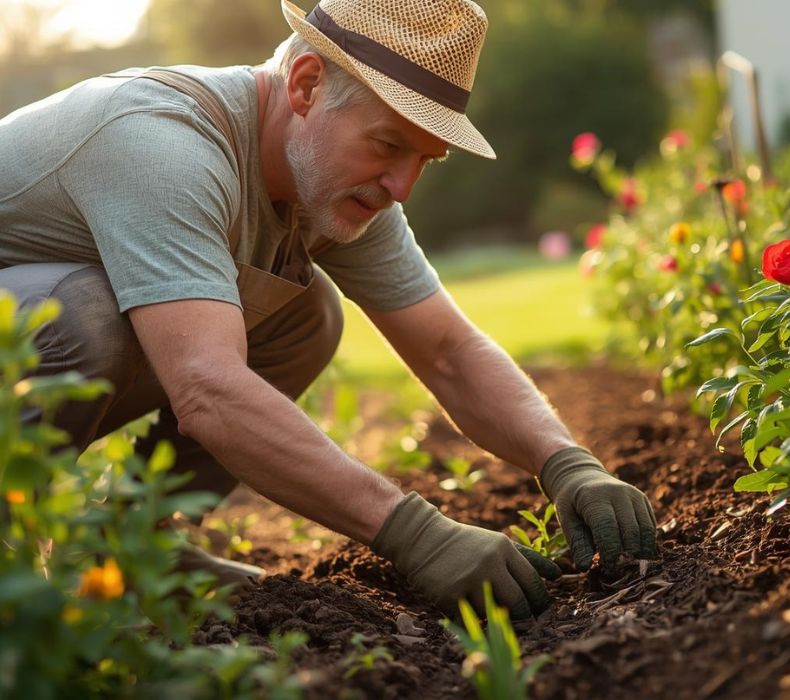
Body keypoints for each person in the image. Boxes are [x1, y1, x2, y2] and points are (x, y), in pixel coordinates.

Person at [0, 0, 657, 619]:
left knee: (306, 315)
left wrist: (566, 462)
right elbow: (208, 388)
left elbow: (447, 350)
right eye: (389, 145)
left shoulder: (332, 182)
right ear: (306, 85)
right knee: (78, 316)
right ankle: (14, 580)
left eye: (425, 160)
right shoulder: (165, 147)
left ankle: (138, 549)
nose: (402, 187)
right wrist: (416, 535)